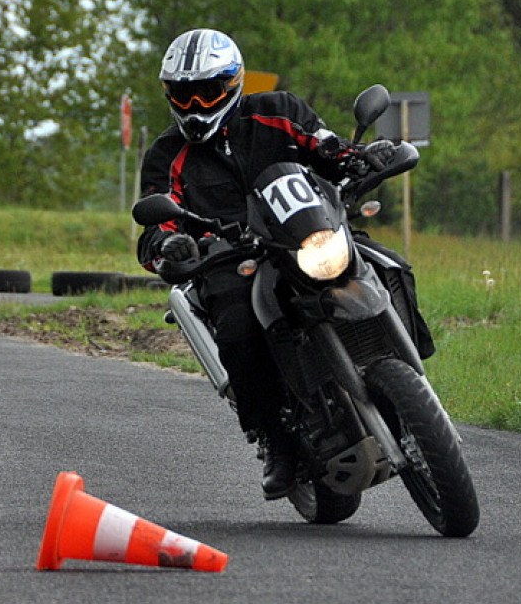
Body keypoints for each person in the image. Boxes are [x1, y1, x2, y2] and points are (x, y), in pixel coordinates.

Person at [137, 28, 404, 500]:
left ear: (235, 83)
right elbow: (154, 222)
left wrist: (363, 157)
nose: (197, 105)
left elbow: (329, 149)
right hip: (228, 260)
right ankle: (275, 439)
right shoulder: (165, 155)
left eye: (209, 92)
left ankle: (406, 369)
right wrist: (171, 245)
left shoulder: (279, 112)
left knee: (388, 264)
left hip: (301, 236)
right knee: (237, 327)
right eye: (184, 94)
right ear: (170, 95)